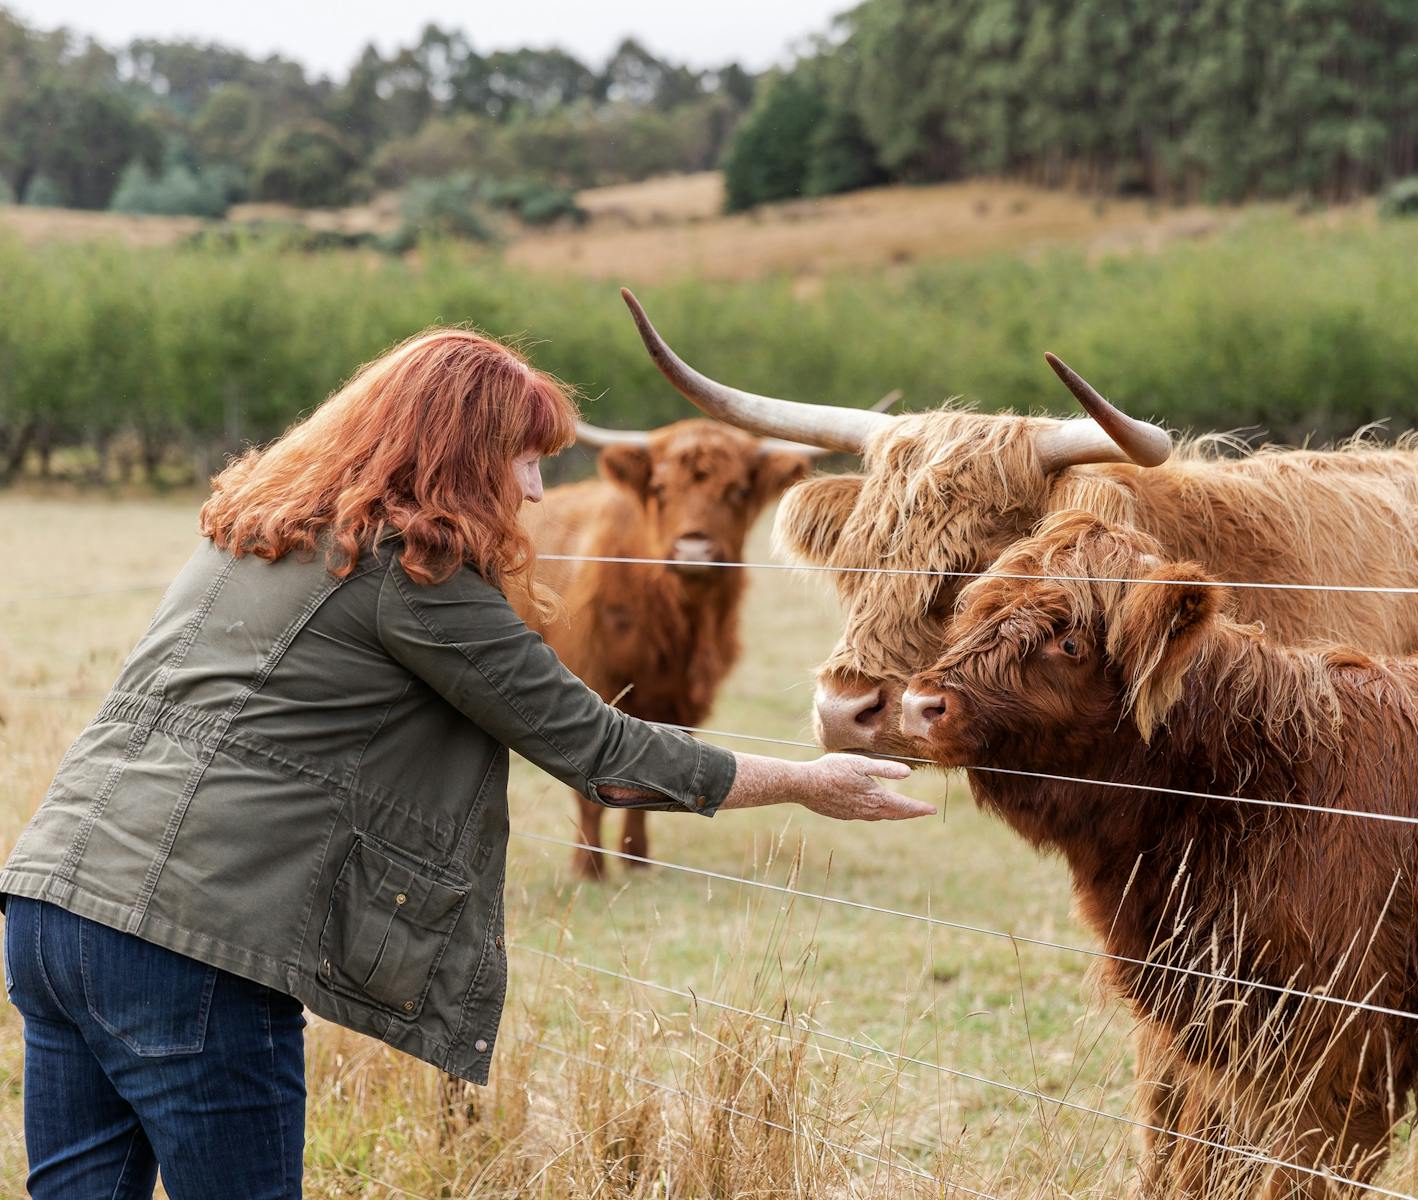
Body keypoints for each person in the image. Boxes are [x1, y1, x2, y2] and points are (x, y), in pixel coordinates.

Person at [0, 329, 932, 1200]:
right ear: (454, 456)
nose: (535, 489)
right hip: (187, 942)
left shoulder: (259, 527)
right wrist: (809, 782)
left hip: (50, 907)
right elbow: (604, 758)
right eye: (523, 459)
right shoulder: (412, 570)